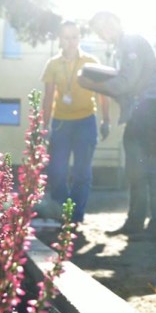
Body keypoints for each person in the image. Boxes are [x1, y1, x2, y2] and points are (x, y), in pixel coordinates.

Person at [77, 11, 156, 241]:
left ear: (117, 21)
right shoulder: (121, 47)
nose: (104, 32)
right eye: (100, 31)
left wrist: (93, 85)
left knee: (154, 170)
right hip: (140, 114)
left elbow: (126, 82)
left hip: (151, 112)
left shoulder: (131, 42)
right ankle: (136, 222)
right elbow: (127, 83)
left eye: (106, 25)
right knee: (136, 170)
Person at [41, 20, 110, 224]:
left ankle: (76, 215)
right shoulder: (52, 64)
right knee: (57, 170)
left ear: (79, 38)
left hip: (85, 122)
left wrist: (106, 120)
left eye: (74, 37)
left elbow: (103, 93)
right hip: (60, 123)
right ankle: (63, 212)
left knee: (82, 171)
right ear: (60, 39)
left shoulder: (91, 62)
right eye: (66, 37)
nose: (70, 42)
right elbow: (48, 97)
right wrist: (45, 125)